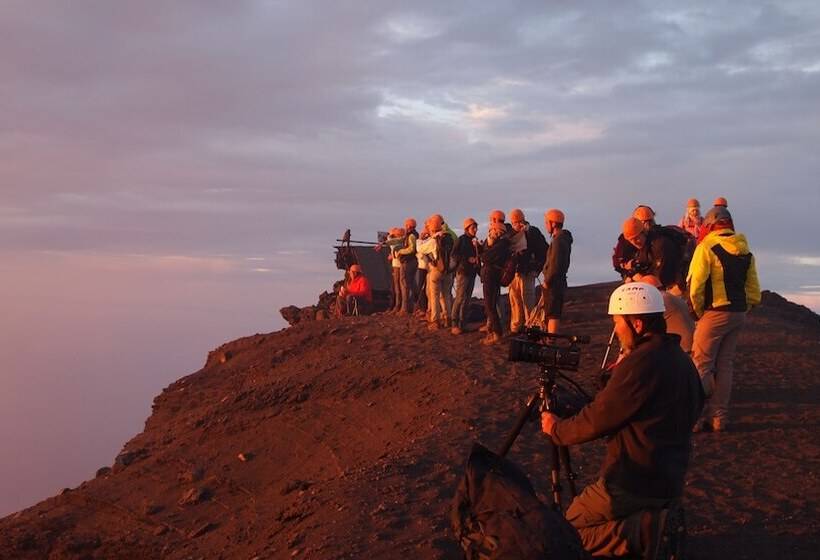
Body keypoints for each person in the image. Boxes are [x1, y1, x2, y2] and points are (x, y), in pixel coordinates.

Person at [541, 283, 704, 558]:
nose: (616, 330)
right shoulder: (682, 360)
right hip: (671, 477)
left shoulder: (640, 363)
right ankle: (652, 519)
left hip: (633, 480)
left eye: (617, 322)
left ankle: (644, 530)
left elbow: (597, 420)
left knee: (566, 534)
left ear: (637, 323)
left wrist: (556, 430)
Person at [688, 206, 760, 432]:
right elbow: (754, 290)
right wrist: (745, 307)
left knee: (700, 365)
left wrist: (699, 312)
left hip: (714, 311)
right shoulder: (745, 250)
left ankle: (695, 418)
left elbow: (696, 285)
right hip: (738, 313)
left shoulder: (706, 247)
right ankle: (719, 418)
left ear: (710, 225)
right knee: (725, 364)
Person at [507, 209, 548, 334]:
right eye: (514, 222)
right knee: (515, 300)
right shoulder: (509, 234)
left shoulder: (533, 232)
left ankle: (530, 326)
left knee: (528, 300)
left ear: (523, 219)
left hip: (528, 272)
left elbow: (544, 251)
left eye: (519, 221)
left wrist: (537, 268)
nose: (517, 224)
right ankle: (516, 326)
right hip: (514, 272)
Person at [634, 273, 694, 353]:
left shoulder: (659, 300)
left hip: (680, 350)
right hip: (689, 347)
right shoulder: (672, 297)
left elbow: (640, 328)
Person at [621, 217, 683, 290]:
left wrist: (636, 276)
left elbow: (660, 280)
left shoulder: (660, 245)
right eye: (631, 240)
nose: (634, 242)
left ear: (644, 232)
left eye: (636, 238)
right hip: (663, 287)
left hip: (675, 286)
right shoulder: (643, 248)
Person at [478, 221, 510, 345]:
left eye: (491, 230)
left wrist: (484, 250)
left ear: (496, 231)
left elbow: (485, 258)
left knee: (490, 305)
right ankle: (495, 332)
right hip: (492, 275)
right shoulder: (502, 244)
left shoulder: (501, 244)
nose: (490, 232)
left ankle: (497, 334)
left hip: (491, 276)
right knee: (491, 304)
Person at [541, 208, 572, 334]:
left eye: (546, 222)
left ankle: (551, 339)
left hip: (554, 283)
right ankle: (550, 338)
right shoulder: (561, 239)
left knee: (552, 313)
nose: (546, 225)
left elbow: (555, 263)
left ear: (553, 223)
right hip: (557, 281)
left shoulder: (559, 240)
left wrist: (548, 280)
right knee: (551, 312)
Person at [450, 217, 480, 335]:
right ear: (467, 228)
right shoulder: (462, 240)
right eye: (473, 227)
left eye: (476, 227)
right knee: (460, 297)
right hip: (463, 272)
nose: (475, 229)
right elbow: (454, 254)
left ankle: (463, 323)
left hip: (471, 272)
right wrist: (467, 259)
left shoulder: (475, 241)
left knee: (467, 299)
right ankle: (454, 324)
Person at [426, 214, 455, 330]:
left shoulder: (433, 240)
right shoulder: (450, 237)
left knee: (435, 296)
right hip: (449, 270)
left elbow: (421, 248)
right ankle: (448, 318)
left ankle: (435, 321)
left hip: (436, 269)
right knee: (446, 295)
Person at [611, 205, 655, 280]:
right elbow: (618, 262)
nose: (648, 226)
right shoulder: (625, 239)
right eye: (644, 222)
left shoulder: (657, 238)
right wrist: (630, 272)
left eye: (650, 222)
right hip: (633, 275)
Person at [395, 217, 418, 314]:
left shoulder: (411, 236)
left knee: (404, 284)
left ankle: (404, 308)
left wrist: (400, 251)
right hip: (412, 262)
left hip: (408, 262)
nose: (405, 226)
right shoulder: (412, 235)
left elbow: (412, 249)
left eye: (406, 225)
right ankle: (412, 307)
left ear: (409, 225)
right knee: (411, 284)